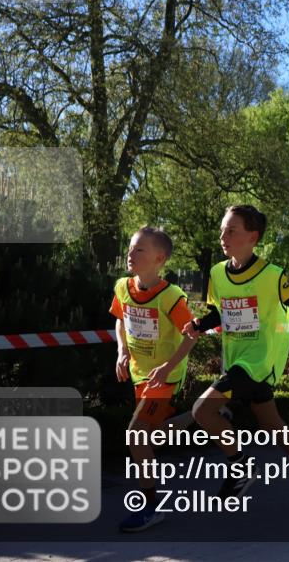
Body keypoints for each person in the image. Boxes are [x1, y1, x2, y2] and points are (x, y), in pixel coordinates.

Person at [182, 205, 289, 506]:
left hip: (257, 361)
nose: (223, 236)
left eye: (231, 231)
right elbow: (219, 312)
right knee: (273, 424)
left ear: (252, 237)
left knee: (202, 410)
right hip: (237, 358)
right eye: (222, 230)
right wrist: (198, 325)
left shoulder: (271, 275)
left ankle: (240, 466)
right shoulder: (218, 273)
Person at [111, 226, 197, 532]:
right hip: (139, 373)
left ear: (159, 258)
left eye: (139, 250)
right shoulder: (123, 287)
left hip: (165, 376)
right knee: (151, 437)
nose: (130, 254)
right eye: (131, 248)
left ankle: (150, 507)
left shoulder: (171, 297)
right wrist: (121, 352)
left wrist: (167, 367)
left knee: (136, 435)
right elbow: (121, 320)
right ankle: (197, 417)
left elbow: (192, 336)